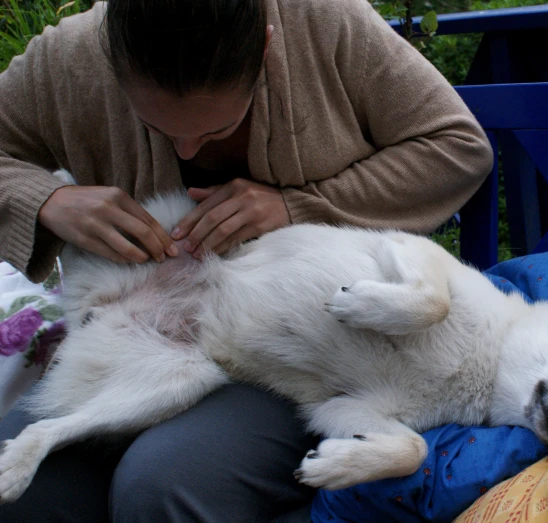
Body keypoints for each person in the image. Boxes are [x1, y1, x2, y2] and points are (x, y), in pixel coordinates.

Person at [0, 0, 493, 520]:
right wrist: (45, 199)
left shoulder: (328, 23)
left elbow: (457, 147)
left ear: (266, 46)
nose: (187, 152)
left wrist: (296, 207)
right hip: (134, 339)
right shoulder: (69, 56)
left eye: (214, 130)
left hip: (303, 353)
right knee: (24, 494)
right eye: (158, 127)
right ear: (107, 56)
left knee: (163, 484)